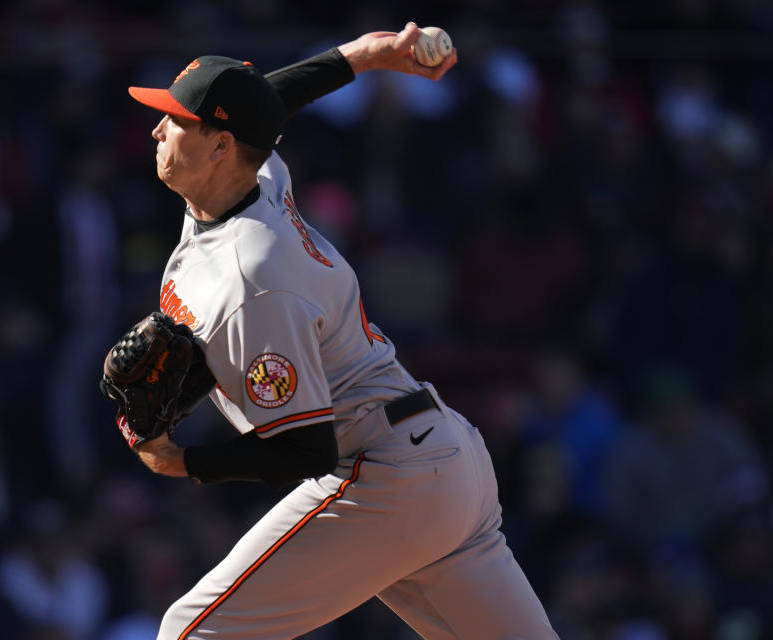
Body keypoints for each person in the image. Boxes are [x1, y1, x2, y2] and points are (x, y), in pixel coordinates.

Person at [121, 22, 559, 640]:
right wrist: (363, 55)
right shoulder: (256, 179)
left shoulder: (253, 277)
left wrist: (183, 461)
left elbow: (306, 452)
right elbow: (264, 106)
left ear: (220, 147)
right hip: (442, 462)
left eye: (175, 120)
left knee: (190, 633)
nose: (157, 128)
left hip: (382, 473)